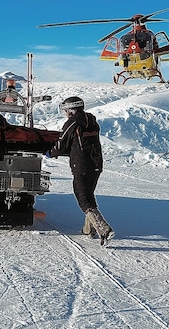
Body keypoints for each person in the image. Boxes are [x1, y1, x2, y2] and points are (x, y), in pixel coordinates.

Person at [45, 96, 115, 245]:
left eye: (65, 110)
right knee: (89, 195)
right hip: (96, 163)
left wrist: (51, 152)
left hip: (82, 165)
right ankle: (89, 229)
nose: (65, 113)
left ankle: (104, 229)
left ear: (71, 110)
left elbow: (62, 143)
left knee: (83, 198)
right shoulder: (92, 121)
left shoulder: (73, 122)